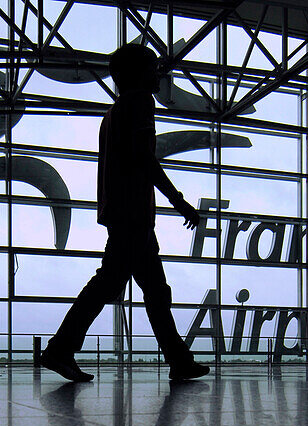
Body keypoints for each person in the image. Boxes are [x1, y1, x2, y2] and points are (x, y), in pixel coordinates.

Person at [40, 44, 208, 382]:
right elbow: (145, 159)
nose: (160, 74)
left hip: (123, 212)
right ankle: (60, 348)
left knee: (148, 289)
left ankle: (178, 360)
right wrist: (178, 200)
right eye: (154, 68)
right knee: (114, 284)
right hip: (133, 214)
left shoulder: (114, 112)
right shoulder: (139, 103)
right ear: (138, 74)